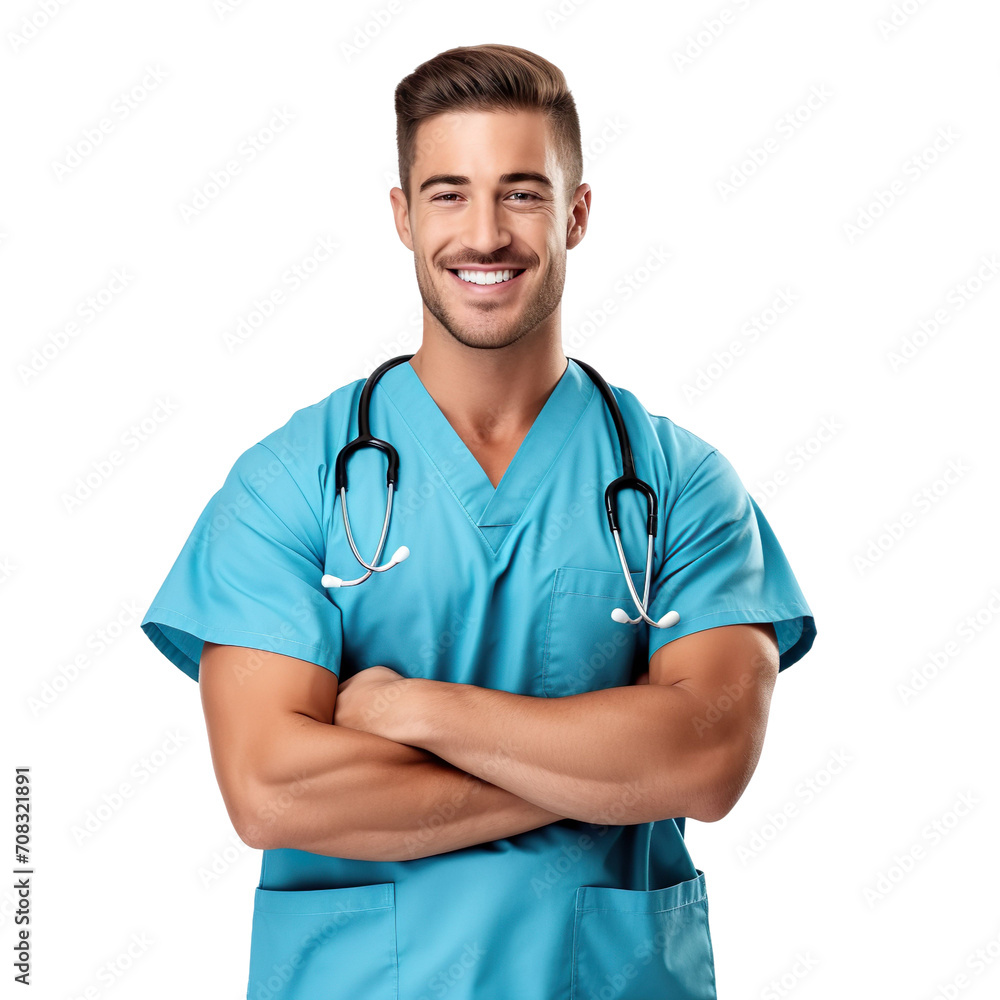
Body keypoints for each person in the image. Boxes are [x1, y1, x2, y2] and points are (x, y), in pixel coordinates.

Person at [141, 42, 816, 1000]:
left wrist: (415, 710)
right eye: (449, 193)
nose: (486, 234)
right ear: (402, 216)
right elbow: (270, 788)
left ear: (577, 214)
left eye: (524, 193)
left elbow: (705, 760)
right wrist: (602, 780)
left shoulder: (680, 484)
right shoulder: (292, 482)